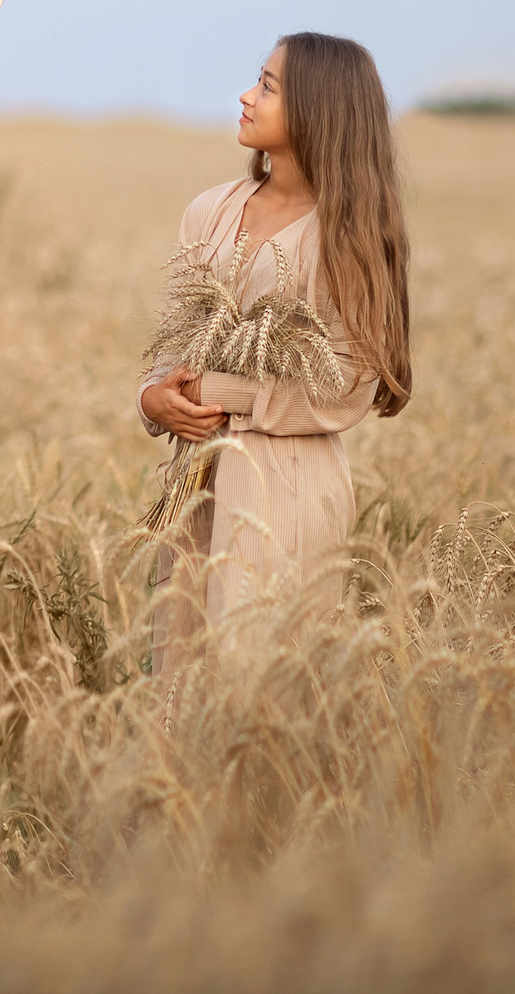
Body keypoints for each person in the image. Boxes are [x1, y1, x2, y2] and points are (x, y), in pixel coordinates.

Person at [138, 34, 414, 665]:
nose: (246, 95)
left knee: (263, 692)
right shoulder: (208, 212)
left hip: (286, 486)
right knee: (178, 684)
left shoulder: (348, 230)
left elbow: (348, 386)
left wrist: (216, 394)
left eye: (267, 86)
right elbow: (174, 344)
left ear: (320, 108)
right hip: (195, 479)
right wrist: (153, 399)